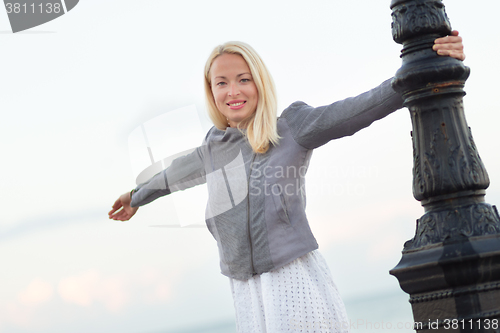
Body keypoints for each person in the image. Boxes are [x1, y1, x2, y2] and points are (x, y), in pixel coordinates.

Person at [109, 31, 465, 332]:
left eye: (243, 79)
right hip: (246, 295)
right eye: (222, 82)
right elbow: (175, 174)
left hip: (294, 283)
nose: (233, 90)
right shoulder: (213, 147)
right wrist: (137, 196)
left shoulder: (292, 127)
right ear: (211, 92)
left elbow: (358, 109)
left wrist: (423, 68)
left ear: (259, 84)